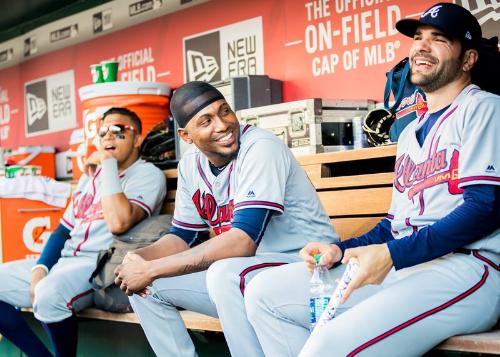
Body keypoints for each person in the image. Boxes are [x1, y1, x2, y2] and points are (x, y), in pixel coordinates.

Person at [244, 3, 500, 356]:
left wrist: (392, 255)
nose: (422, 46)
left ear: (468, 59)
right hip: (407, 264)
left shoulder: (484, 108)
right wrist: (341, 250)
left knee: (329, 345)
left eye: (439, 39)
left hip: (468, 268)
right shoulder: (409, 134)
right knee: (263, 292)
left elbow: (485, 207)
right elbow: (393, 225)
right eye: (418, 37)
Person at [114, 81, 338, 357]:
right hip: (250, 275)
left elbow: (243, 242)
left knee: (225, 273)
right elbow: (183, 237)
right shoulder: (190, 166)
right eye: (206, 121)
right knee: (146, 285)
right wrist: (139, 261)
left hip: (306, 268)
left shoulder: (260, 147)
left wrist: (152, 268)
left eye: (225, 112)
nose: (222, 125)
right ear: (186, 136)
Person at [0, 107, 166, 356]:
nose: (109, 136)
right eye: (103, 132)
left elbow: (119, 222)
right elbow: (62, 231)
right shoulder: (91, 178)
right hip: (65, 261)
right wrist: (40, 269)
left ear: (137, 139)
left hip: (99, 267)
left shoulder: (147, 175)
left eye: (119, 130)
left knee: (48, 294)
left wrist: (108, 166)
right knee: (35, 284)